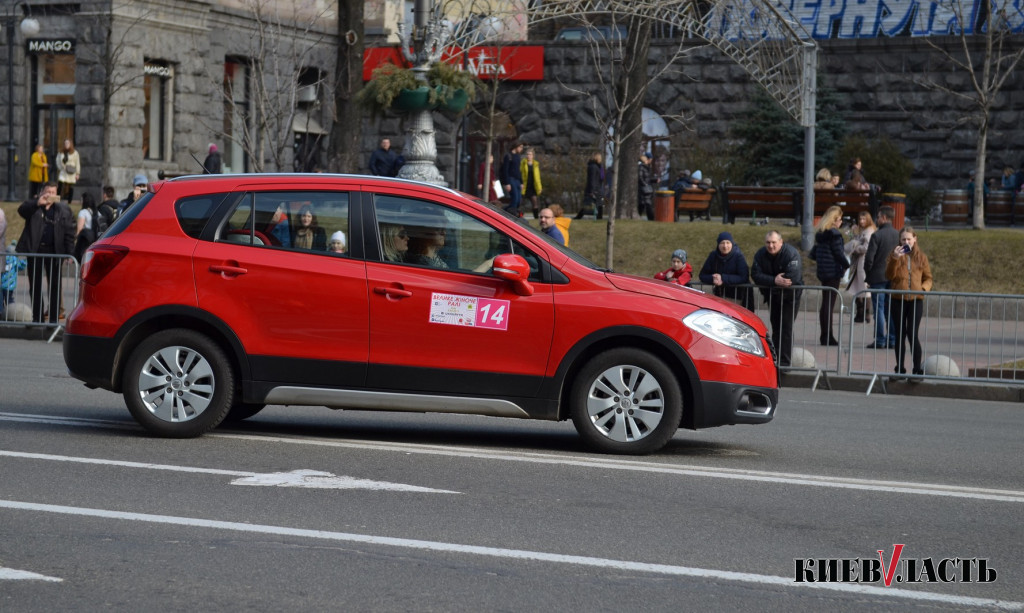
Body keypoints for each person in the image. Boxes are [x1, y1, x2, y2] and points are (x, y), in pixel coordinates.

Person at [16, 182, 76, 323]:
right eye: (47, 191)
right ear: (42, 192)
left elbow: (69, 232)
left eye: (53, 192)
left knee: (55, 286)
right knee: (35, 286)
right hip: (36, 250)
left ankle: (54, 318)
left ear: (57, 194)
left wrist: (70, 253)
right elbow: (21, 211)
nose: (50, 194)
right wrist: (38, 202)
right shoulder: (33, 206)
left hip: (54, 251)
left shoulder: (62, 210)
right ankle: (37, 318)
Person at [885, 227, 933, 381]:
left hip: (916, 300)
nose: (906, 242)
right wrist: (895, 258)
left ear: (915, 239)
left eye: (909, 239)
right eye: (903, 239)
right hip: (898, 299)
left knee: (912, 334)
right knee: (899, 334)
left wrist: (924, 289)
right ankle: (900, 369)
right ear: (900, 240)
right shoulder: (895, 255)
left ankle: (917, 370)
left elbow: (928, 278)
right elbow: (889, 275)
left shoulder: (921, 257)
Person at [751, 231, 803, 367]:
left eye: (774, 242)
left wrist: (769, 281)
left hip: (790, 297)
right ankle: (775, 361)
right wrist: (774, 280)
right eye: (768, 242)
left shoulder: (791, 254)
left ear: (781, 242)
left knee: (786, 328)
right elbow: (755, 275)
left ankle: (784, 364)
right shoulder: (760, 254)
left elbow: (792, 278)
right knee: (775, 328)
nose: (771, 246)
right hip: (772, 296)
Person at [809, 205, 849, 346]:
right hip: (833, 272)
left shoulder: (821, 234)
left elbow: (813, 253)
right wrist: (847, 264)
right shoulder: (835, 234)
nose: (841, 222)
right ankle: (828, 337)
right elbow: (838, 253)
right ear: (834, 220)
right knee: (829, 305)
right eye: (840, 219)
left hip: (823, 272)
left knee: (825, 304)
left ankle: (825, 335)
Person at [863, 205, 900, 348]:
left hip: (877, 278)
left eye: (878, 217)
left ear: (884, 218)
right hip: (893, 277)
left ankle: (879, 340)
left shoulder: (877, 235)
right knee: (890, 309)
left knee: (878, 309)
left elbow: (869, 258)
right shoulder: (898, 234)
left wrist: (868, 273)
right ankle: (892, 339)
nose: (876, 219)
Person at [699, 231, 753, 310]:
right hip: (720, 297)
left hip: (738, 297)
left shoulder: (738, 256)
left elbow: (744, 277)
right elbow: (702, 275)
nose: (725, 246)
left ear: (732, 244)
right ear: (718, 245)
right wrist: (713, 278)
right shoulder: (713, 256)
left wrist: (723, 278)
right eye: (722, 243)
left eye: (728, 243)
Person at [844, 210, 876, 323]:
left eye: (864, 219)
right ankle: (860, 313)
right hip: (859, 262)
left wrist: (855, 249)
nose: (861, 221)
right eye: (860, 219)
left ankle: (865, 314)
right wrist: (853, 234)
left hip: (863, 262)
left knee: (864, 288)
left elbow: (866, 247)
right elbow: (857, 240)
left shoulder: (869, 231)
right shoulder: (863, 230)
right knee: (858, 287)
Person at [577, 152, 607, 220]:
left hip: (598, 188)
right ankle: (579, 216)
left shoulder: (599, 167)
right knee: (590, 203)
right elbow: (592, 179)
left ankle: (599, 217)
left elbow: (601, 177)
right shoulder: (593, 167)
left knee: (599, 204)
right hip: (594, 189)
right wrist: (592, 191)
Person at [1, 241, 26, 319]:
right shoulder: (15, 259)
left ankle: (1, 313)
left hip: (1, 284)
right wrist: (25, 260)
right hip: (10, 285)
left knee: (0, 300)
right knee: (9, 300)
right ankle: (11, 314)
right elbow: (21, 266)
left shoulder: (2, 258)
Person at [500, 142, 525, 216]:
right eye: (520, 147)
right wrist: (507, 183)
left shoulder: (517, 156)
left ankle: (505, 212)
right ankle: (510, 214)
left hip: (517, 180)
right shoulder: (508, 156)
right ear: (516, 146)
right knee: (515, 198)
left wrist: (521, 182)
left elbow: (518, 170)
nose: (521, 149)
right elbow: (505, 170)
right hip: (511, 179)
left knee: (518, 200)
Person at [74, 192, 98, 262]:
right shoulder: (97, 212)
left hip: (85, 241)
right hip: (94, 240)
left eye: (81, 199)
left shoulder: (83, 212)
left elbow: (79, 229)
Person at [520, 148, 543, 218]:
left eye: (530, 154)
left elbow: (537, 177)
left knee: (534, 201)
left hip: (533, 186)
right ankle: (519, 216)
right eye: (527, 154)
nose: (528, 156)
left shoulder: (535, 164)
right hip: (525, 185)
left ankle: (536, 217)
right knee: (521, 202)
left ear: (533, 155)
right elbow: (520, 173)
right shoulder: (523, 163)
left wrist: (539, 187)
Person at [637, 152, 655, 220]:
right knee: (645, 204)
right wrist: (645, 184)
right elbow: (640, 177)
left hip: (646, 187)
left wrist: (654, 180)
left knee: (645, 204)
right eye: (650, 159)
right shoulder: (642, 167)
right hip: (643, 188)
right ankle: (650, 218)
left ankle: (649, 217)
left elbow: (648, 178)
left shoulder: (647, 167)